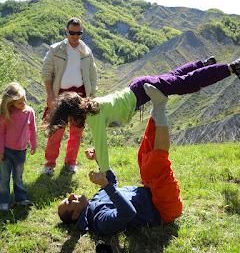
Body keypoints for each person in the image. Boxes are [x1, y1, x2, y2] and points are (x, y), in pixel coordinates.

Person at [47, 57, 240, 175]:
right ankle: (203, 64)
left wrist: (105, 173)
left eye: (69, 118)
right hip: (138, 86)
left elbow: (101, 144)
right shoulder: (92, 106)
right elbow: (99, 142)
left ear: (74, 113)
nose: (71, 122)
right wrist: (97, 154)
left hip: (143, 90)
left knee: (185, 84)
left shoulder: (94, 116)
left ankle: (231, 68)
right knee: (174, 77)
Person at [57, 88, 182, 235]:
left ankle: (157, 106)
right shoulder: (99, 220)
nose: (71, 195)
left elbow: (112, 182)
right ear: (75, 215)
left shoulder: (95, 200)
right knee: (154, 164)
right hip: (162, 207)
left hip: (152, 191)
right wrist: (105, 186)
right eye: (69, 202)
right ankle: (159, 107)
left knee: (143, 155)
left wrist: (99, 161)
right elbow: (128, 213)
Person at [41, 17, 97, 175]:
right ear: (66, 32)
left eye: (78, 33)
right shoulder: (55, 49)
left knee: (76, 131)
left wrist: (90, 96)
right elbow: (46, 72)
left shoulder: (86, 52)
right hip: (60, 95)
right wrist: (50, 95)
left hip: (80, 95)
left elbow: (93, 75)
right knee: (56, 131)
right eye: (72, 32)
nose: (75, 36)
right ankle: (49, 164)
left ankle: (70, 162)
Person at [0, 82, 37, 211]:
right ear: (11, 103)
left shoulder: (29, 112)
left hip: (21, 151)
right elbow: (1, 134)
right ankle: (3, 202)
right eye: (19, 102)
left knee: (18, 177)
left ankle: (21, 199)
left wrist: (33, 143)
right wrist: (1, 151)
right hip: (6, 151)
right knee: (4, 178)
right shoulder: (6, 114)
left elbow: (32, 129)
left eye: (24, 100)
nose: (23, 104)